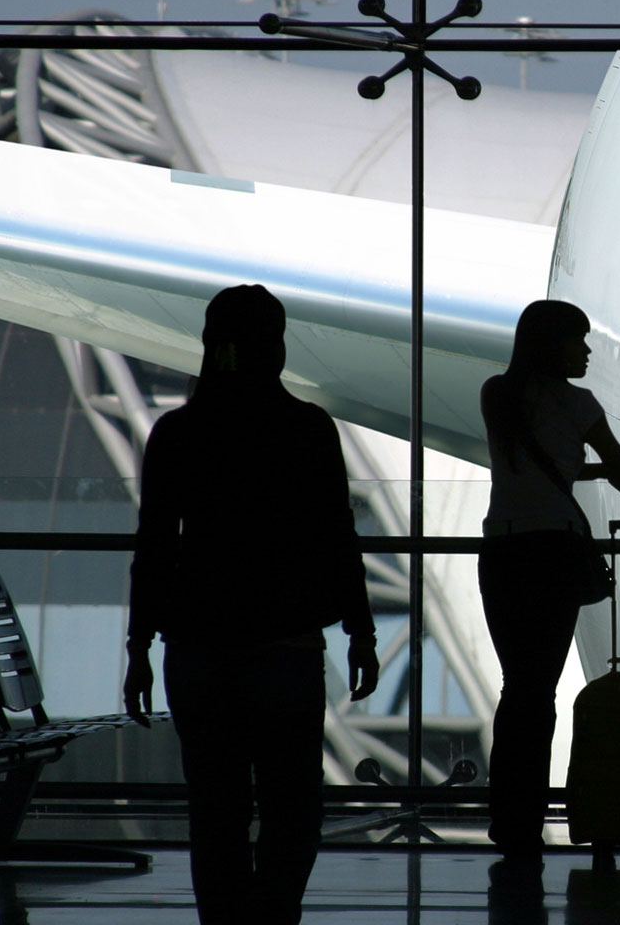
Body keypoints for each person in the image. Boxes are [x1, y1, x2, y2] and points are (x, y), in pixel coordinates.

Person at [122, 284, 380, 925]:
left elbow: (154, 548)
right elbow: (337, 537)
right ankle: (273, 916)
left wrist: (138, 647)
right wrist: (361, 631)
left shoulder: (178, 434)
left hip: (200, 646)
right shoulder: (307, 429)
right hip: (285, 645)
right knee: (294, 807)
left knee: (217, 810)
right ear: (278, 344)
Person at [478, 298, 620, 865]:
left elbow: (533, 460)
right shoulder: (580, 405)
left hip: (503, 548)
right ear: (551, 343)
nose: (585, 351)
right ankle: (528, 818)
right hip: (555, 553)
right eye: (576, 340)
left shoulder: (497, 395)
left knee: (518, 689)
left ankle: (508, 821)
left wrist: (589, 466)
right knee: (541, 691)